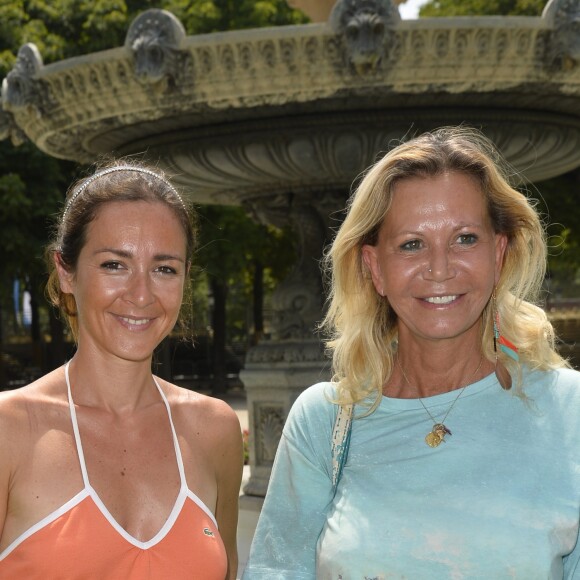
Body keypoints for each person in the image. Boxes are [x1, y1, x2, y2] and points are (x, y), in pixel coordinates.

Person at [243, 126, 580, 578]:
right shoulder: (323, 422)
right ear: (374, 268)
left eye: (465, 238)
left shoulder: (569, 411)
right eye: (411, 244)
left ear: (498, 254)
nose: (439, 268)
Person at [0, 161, 243, 579]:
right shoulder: (9, 430)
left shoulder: (214, 429)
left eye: (164, 269)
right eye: (115, 264)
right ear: (66, 272)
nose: (142, 294)